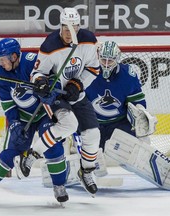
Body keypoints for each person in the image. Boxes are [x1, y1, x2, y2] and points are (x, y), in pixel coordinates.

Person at [0, 38, 69, 205]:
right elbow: (8, 105)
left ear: (13, 56)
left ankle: (59, 186)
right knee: (11, 151)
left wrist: (50, 90)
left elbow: (54, 78)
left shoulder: (32, 62)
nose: (0, 63)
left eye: (2, 59)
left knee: (52, 145)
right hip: (23, 118)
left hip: (44, 112)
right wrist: (15, 123)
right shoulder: (1, 75)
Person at [20, 7, 101, 196]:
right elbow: (37, 73)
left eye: (73, 28)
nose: (68, 33)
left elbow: (94, 69)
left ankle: (86, 171)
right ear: (60, 26)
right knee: (70, 124)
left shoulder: (89, 41)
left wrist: (78, 84)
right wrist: (40, 82)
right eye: (65, 28)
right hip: (57, 97)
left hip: (77, 96)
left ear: (79, 27)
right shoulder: (50, 46)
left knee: (93, 134)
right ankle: (32, 154)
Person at [85, 40, 156, 150]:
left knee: (142, 142)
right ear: (98, 57)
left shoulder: (127, 75)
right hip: (92, 125)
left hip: (119, 125)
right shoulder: (86, 72)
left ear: (117, 59)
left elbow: (137, 100)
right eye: (103, 60)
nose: (106, 64)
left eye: (111, 60)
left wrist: (140, 111)